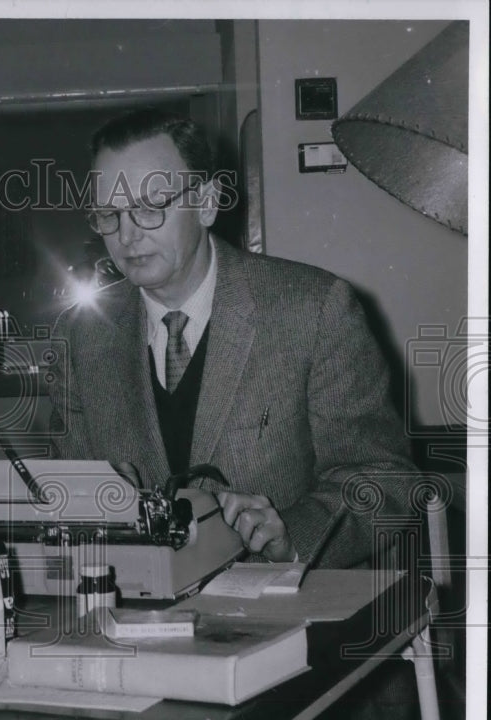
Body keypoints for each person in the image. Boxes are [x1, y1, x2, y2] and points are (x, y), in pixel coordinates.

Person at [48, 109, 418, 569]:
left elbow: (383, 481)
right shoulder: (81, 338)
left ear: (206, 202)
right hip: (141, 618)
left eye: (150, 206)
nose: (126, 235)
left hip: (288, 610)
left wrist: (293, 537)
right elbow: (68, 500)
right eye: (109, 213)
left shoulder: (315, 309)